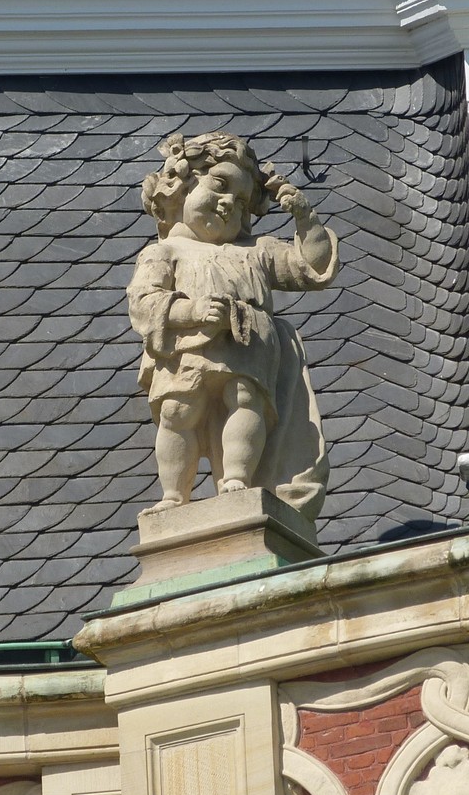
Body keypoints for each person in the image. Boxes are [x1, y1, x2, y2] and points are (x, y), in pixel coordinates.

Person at [127, 131, 339, 521]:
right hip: (185, 345)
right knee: (177, 411)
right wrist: (189, 312)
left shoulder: (256, 251)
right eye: (220, 186)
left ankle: (237, 480)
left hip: (247, 339)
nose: (229, 203)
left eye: (242, 201)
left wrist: (304, 217)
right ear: (180, 187)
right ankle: (174, 496)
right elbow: (142, 302)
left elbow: (312, 267)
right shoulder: (165, 251)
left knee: (244, 399)